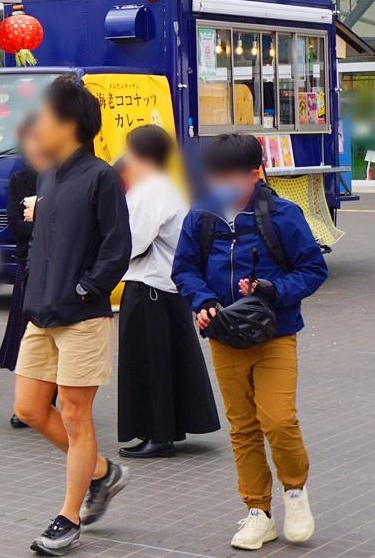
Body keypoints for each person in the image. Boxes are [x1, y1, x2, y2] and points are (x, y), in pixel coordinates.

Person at [173, 133, 329, 551]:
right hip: (224, 335)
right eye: (214, 175)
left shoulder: (283, 215)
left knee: (278, 419)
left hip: (275, 334)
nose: (221, 183)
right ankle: (258, 511)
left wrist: (272, 289)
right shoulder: (201, 216)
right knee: (242, 427)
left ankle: (294, 493)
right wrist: (202, 300)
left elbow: (313, 269)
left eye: (230, 176)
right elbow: (184, 268)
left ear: (255, 173)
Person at [12, 75, 132, 555]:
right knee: (29, 409)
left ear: (68, 124)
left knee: (76, 415)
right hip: (41, 313)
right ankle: (102, 472)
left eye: (45, 115)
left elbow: (117, 247)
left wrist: (87, 288)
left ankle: (69, 517)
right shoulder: (49, 175)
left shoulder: (101, 176)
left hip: (83, 317)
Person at [113, 124, 219, 459]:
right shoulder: (165, 187)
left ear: (139, 155)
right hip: (165, 286)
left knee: (151, 363)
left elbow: (131, 242)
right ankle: (165, 430)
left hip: (150, 287)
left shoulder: (150, 191)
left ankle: (159, 435)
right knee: (166, 361)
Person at [0, 117, 46, 428]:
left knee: (51, 337)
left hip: (58, 266)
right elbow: (15, 225)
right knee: (26, 337)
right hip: (29, 263)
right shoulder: (21, 177)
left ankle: (48, 399)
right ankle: (26, 404)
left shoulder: (64, 175)